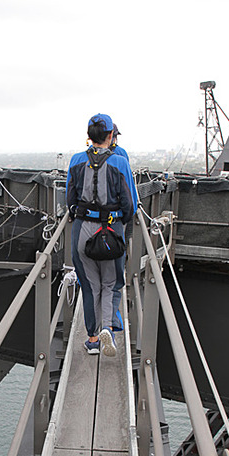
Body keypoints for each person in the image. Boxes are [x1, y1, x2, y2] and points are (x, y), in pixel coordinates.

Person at [66, 113, 138, 356]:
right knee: (111, 283)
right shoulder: (119, 162)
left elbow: (70, 199)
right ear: (110, 135)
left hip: (82, 230)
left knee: (89, 286)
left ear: (89, 135)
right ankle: (107, 326)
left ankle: (93, 339)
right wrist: (119, 223)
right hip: (110, 230)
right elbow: (129, 205)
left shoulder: (76, 161)